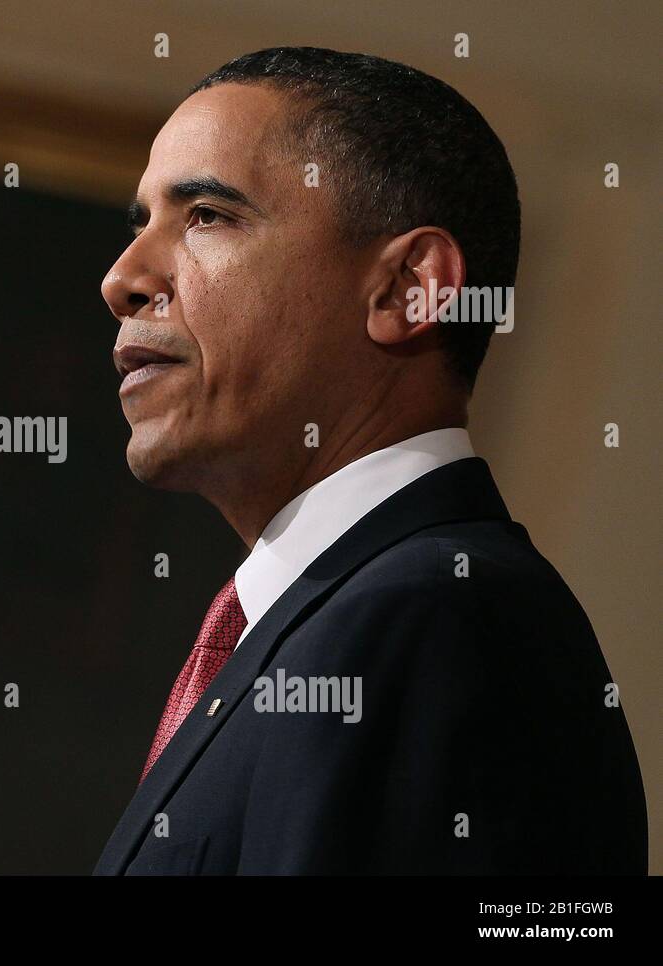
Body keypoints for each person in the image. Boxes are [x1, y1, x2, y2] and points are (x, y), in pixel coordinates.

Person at [93, 47, 646, 874]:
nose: (123, 278)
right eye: (142, 224)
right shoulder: (350, 612)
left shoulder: (438, 617)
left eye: (206, 214)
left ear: (408, 289)